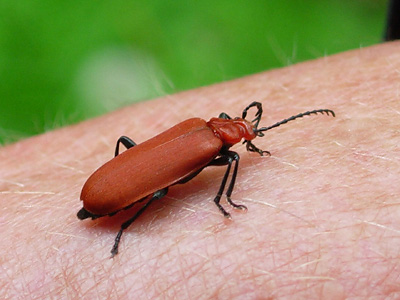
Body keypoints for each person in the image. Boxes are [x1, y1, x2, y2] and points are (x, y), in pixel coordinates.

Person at [2, 42, 399, 299]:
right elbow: (223, 155)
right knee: (160, 191)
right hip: (110, 193)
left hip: (105, 184)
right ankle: (132, 225)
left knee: (134, 151)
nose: (247, 138)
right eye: (247, 134)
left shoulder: (203, 127)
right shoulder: (215, 145)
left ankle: (131, 209)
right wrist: (225, 194)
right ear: (233, 135)